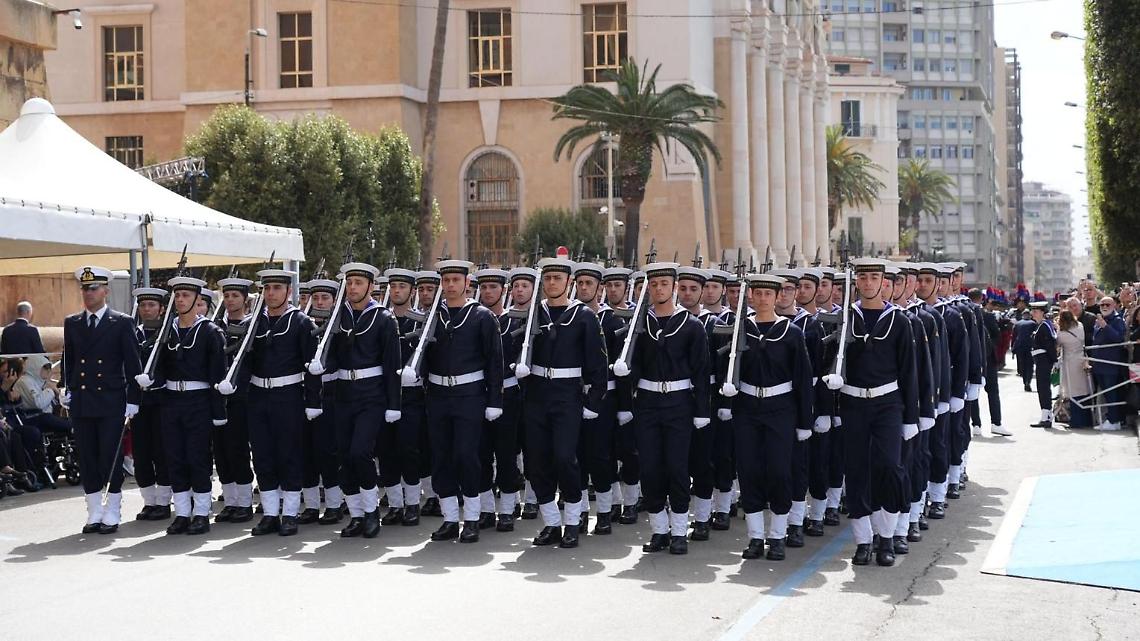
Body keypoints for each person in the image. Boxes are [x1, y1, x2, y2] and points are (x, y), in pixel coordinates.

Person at [826, 257, 917, 568]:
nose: (867, 284)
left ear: (884, 282)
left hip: (888, 404)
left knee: (890, 468)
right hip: (853, 404)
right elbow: (830, 360)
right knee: (857, 471)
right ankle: (863, 541)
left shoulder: (899, 321)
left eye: (873, 278)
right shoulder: (844, 320)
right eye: (862, 278)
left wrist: (911, 417)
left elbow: (909, 372)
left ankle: (887, 537)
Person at [616, 261, 711, 556]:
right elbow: (634, 368)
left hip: (679, 404)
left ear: (673, 287)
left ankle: (680, 530)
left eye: (664, 284)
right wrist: (624, 372)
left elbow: (701, 371)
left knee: (677, 467)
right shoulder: (639, 324)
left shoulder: (691, 326)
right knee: (651, 467)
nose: (659, 289)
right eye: (653, 284)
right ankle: (659, 530)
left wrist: (702, 411)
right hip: (648, 403)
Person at [217, 269, 321, 537]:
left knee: (289, 455)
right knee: (262, 456)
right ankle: (270, 513)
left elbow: (311, 367)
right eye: (267, 288)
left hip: (288, 396)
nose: (271, 293)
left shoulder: (301, 323)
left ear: (288, 291)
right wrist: (234, 381)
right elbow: (244, 360)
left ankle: (290, 513)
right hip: (258, 397)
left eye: (277, 287)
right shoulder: (254, 324)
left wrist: (313, 401)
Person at [521, 257, 606, 548]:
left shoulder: (583, 316)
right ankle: (551, 524)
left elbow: (598, 365)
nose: (552, 283)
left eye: (557, 278)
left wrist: (593, 402)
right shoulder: (534, 313)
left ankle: (572, 520)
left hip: (567, 394)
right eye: (547, 279)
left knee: (564, 458)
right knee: (537, 462)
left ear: (568, 282)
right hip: (537, 395)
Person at [728, 272, 814, 561]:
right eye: (758, 293)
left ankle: (777, 535)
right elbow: (729, 367)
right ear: (750, 296)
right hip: (747, 407)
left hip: (781, 408)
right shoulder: (741, 328)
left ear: (778, 297)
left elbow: (803, 379)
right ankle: (755, 537)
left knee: (779, 471)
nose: (763, 298)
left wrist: (804, 421)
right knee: (749, 471)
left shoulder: (791, 332)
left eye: (769, 294)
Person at [135, 276, 227, 535]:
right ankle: (182, 512)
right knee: (174, 456)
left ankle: (200, 512)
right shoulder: (167, 329)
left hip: (198, 401)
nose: (180, 300)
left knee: (197, 457)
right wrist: (152, 379)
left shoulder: (210, 332)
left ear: (198, 300)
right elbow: (160, 365)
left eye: (186, 295)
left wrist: (218, 411)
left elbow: (217, 374)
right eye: (177, 295)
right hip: (171, 400)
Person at [421, 260, 504, 544]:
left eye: (456, 280)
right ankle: (448, 519)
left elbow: (495, 362)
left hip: (469, 395)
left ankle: (471, 518)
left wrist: (494, 400)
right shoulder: (433, 316)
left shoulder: (481, 316)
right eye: (447, 280)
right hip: (439, 396)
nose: (451, 285)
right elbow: (423, 356)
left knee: (466, 456)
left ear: (467, 283)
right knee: (441, 457)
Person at [321, 262, 402, 539]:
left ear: (370, 286)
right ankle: (355, 515)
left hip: (372, 394)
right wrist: (323, 365)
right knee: (343, 455)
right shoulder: (338, 316)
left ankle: (370, 512)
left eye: (358, 282)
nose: (353, 287)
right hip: (343, 393)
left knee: (360, 452)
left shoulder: (383, 318)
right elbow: (331, 351)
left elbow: (392, 365)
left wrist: (394, 404)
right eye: (350, 282)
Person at [61, 266, 142, 534]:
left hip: (110, 400)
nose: (88, 293)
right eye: (85, 288)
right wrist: (65, 387)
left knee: (111, 456)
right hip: (83, 400)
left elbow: (132, 365)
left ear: (106, 290)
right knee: (88, 457)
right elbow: (69, 360)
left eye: (93, 288)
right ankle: (94, 510)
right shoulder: (72, 322)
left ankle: (112, 510)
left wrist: (134, 398)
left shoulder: (120, 322)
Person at [573, 261, 622, 535]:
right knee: (576, 456)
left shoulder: (611, 320)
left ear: (599, 288)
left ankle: (604, 511)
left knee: (600, 455)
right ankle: (579, 511)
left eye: (588, 283)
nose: (583, 288)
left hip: (603, 396)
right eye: (579, 283)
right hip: (574, 395)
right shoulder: (572, 316)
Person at [378, 267, 427, 527]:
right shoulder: (380, 320)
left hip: (411, 394)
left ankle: (411, 504)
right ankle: (395, 504)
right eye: (393, 286)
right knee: (386, 451)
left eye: (402, 287)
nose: (396, 291)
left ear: (411, 291)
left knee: (408, 449)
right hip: (383, 393)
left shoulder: (420, 321)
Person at [473, 266, 521, 530]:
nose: (488, 292)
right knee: (480, 453)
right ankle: (486, 508)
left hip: (507, 393)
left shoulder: (515, 322)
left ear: (504, 291)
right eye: (484, 287)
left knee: (505, 454)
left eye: (493, 287)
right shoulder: (475, 319)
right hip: (478, 392)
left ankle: (507, 509)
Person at [299, 278, 346, 526]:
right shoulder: (304, 326)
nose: (318, 303)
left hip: (331, 392)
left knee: (328, 452)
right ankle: (311, 505)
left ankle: (335, 504)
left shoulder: (341, 327)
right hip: (305, 393)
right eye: (315, 298)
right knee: (306, 451)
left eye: (324, 298)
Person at [125, 287, 172, 520]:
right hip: (140, 402)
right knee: (142, 453)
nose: (146, 309)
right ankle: (149, 501)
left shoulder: (168, 333)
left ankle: (164, 501)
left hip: (162, 399)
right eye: (143, 305)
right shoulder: (133, 334)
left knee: (161, 451)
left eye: (152, 305)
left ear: (161, 308)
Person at [213, 277, 257, 524]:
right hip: (218, 396)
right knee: (221, 451)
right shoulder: (215, 327)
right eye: (226, 296)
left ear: (245, 299)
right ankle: (230, 501)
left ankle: (244, 502)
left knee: (238, 449)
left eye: (235, 296)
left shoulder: (252, 326)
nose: (230, 301)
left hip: (242, 397)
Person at [602, 265, 640, 524]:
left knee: (630, 452)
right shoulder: (600, 317)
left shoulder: (637, 315)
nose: (613, 290)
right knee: (605, 452)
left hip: (634, 395)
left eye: (618, 285)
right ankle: (614, 501)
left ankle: (631, 501)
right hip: (607, 393)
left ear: (626, 288)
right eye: (609, 285)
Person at [414, 269, 443, 517]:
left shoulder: (444, 319)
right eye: (421, 289)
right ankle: (430, 495)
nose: (425, 293)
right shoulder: (414, 318)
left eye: (430, 289)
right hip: (416, 394)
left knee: (441, 446)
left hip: (438, 391)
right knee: (420, 447)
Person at [1091, 296, 1127, 431]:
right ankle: (1112, 419)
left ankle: (1114, 420)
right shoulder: (1099, 320)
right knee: (1106, 393)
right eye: (1102, 305)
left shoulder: (1117, 320)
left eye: (1107, 304)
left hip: (1110, 363)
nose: (1104, 307)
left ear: (1114, 306)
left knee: (1111, 392)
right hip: (1099, 363)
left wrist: (1105, 326)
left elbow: (1119, 338)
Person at [1056, 309, 1093, 429]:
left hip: (1070, 363)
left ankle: (1077, 421)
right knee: (1084, 390)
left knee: (1073, 392)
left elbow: (1058, 343)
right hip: (1082, 359)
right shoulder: (1080, 326)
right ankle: (1087, 419)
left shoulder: (1062, 334)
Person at [1029, 301, 1058, 428]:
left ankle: (1046, 417)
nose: (1032, 313)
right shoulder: (1041, 325)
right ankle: (1045, 415)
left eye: (1035, 311)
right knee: (1042, 388)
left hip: (1044, 361)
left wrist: (1054, 361)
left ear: (1042, 313)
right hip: (1041, 360)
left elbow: (1050, 345)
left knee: (1043, 388)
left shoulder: (1045, 326)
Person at [1012, 310, 1036, 392]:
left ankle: (1025, 381)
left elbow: (1014, 337)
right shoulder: (1033, 324)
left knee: (1022, 366)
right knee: (1030, 365)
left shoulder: (1017, 324)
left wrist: (1013, 348)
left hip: (1019, 347)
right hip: (1030, 347)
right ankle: (1027, 382)